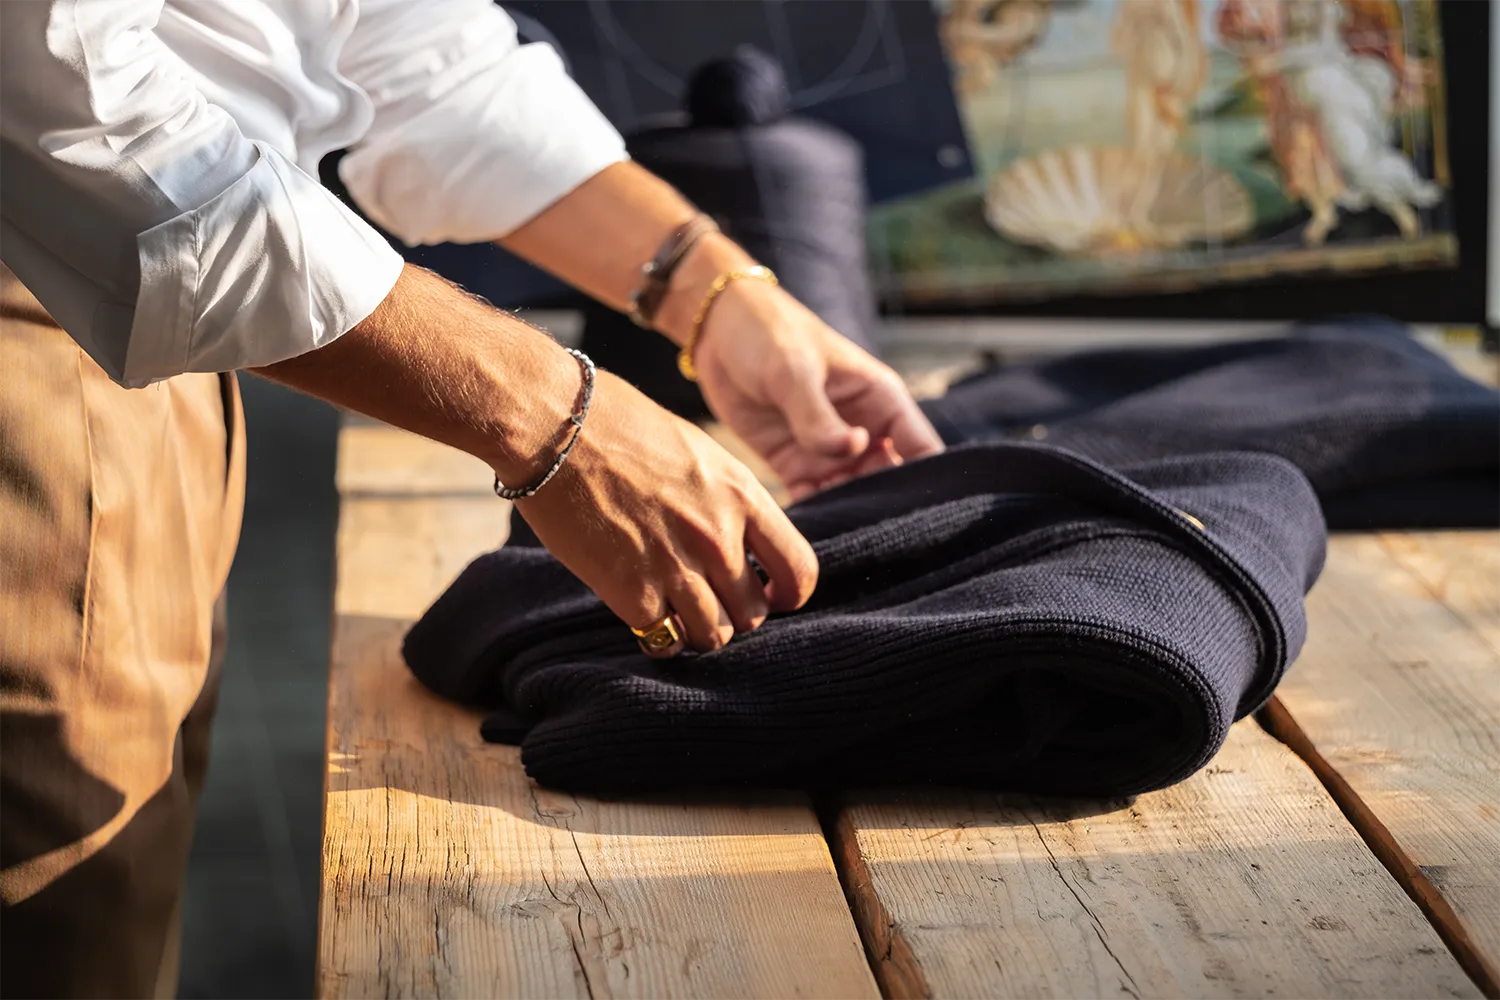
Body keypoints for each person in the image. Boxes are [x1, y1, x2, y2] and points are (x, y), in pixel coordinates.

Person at [0, 1, 944, 996]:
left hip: (165, 343)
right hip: (36, 339)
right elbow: (56, 91)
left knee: (112, 898)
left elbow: (407, 43)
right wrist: (556, 419)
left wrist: (714, 294)